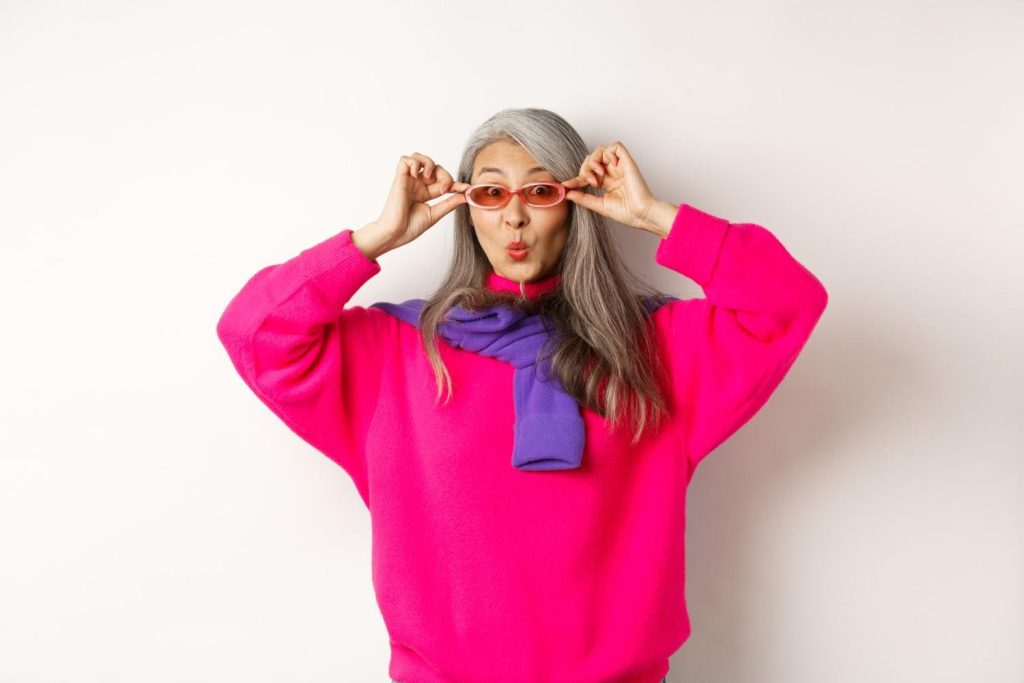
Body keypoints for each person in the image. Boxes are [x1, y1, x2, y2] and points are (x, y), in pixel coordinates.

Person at [216, 107, 828, 683]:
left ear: (576, 203)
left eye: (540, 192)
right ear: (467, 209)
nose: (514, 217)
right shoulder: (396, 352)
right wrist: (378, 236)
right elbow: (255, 331)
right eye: (490, 192)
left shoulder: (655, 350)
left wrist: (653, 215)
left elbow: (786, 301)